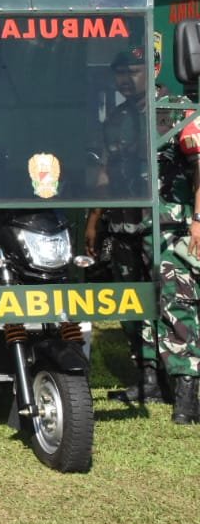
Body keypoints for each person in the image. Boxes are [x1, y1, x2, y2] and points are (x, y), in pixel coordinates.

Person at [85, 48, 168, 403]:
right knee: (131, 301)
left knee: (168, 301)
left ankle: (179, 380)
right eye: (120, 73)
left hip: (164, 226)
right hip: (123, 224)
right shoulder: (116, 118)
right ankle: (147, 378)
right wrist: (94, 219)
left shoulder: (174, 110)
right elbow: (105, 172)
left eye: (133, 71)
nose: (125, 79)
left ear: (154, 69)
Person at [157, 110, 200, 424]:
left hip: (185, 226)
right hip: (160, 227)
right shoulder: (131, 116)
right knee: (175, 304)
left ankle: (187, 396)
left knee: (182, 303)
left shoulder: (184, 115)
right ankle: (185, 397)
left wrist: (198, 219)